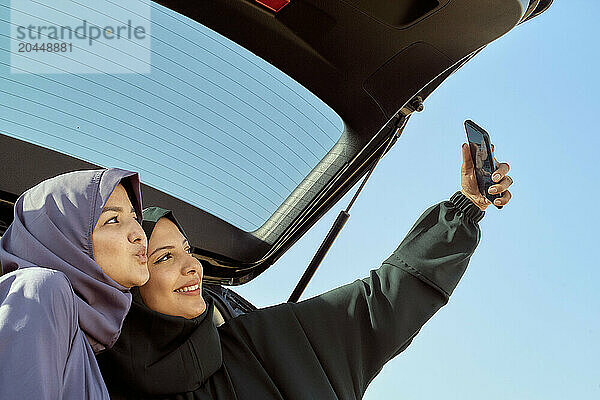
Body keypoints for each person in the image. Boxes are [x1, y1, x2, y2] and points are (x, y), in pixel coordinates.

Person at [97, 144, 513, 399]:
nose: (193, 265)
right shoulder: (89, 379)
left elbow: (380, 303)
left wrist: (463, 212)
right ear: (128, 283)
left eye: (187, 250)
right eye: (164, 257)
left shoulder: (266, 341)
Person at [0, 168, 149, 399]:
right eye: (112, 220)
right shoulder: (41, 290)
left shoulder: (82, 337)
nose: (139, 233)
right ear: (61, 238)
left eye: (133, 217)